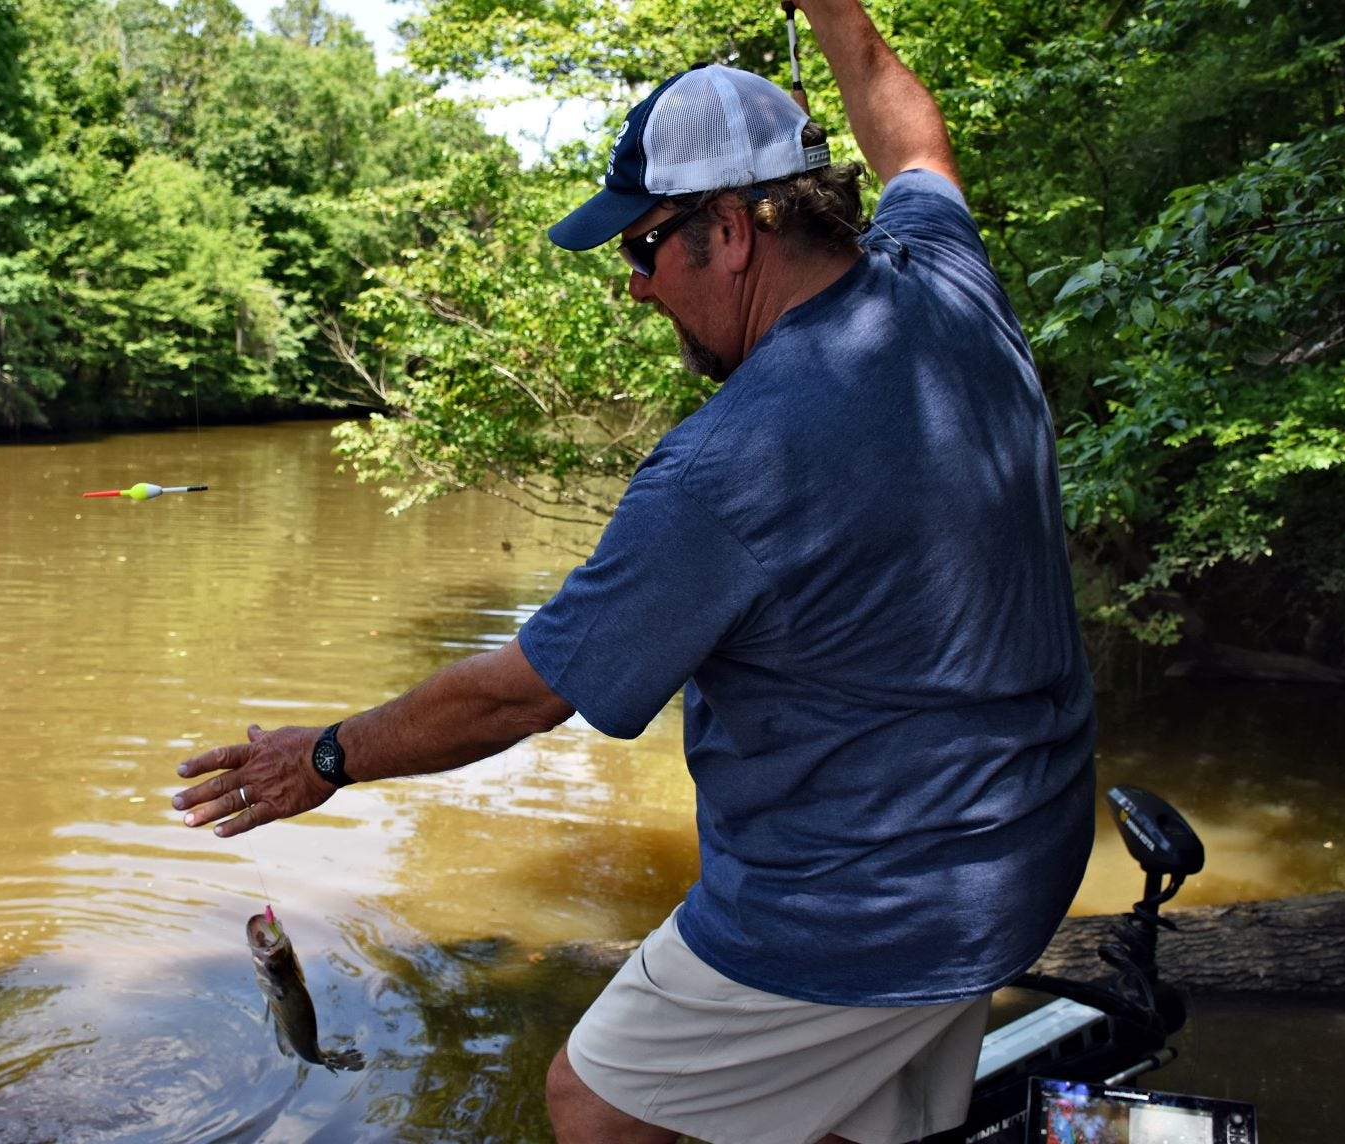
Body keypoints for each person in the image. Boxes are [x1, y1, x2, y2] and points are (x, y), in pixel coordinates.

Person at [171, 1, 1096, 1141]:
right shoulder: (948, 283)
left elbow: (523, 691)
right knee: (867, 1118)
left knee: (596, 1100)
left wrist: (321, 757)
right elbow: (911, 137)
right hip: (1022, 850)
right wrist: (835, 12)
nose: (636, 288)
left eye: (642, 247)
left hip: (865, 905)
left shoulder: (730, 465)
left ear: (732, 228)